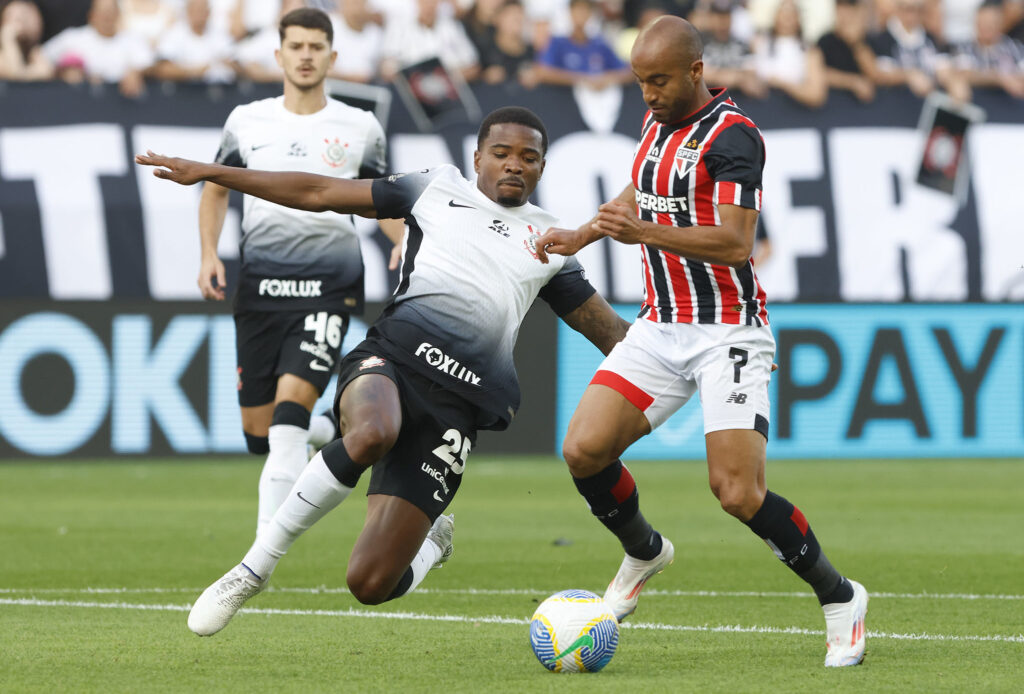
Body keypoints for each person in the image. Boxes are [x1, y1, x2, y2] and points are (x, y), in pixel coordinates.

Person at [136, 105, 631, 637]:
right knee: (374, 431)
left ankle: (431, 545)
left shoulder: (553, 245)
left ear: (541, 167)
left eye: (528, 158)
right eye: (502, 153)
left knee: (371, 584)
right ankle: (253, 569)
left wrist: (695, 358)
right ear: (477, 158)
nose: (514, 165)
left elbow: (612, 337)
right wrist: (214, 173)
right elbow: (318, 192)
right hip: (390, 362)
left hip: (456, 409)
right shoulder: (434, 189)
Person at [534, 15, 869, 668]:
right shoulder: (658, 120)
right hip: (660, 327)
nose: (647, 94)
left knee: (738, 494)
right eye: (639, 82)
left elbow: (736, 241)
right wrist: (585, 232)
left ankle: (839, 596)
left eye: (657, 81)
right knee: (583, 450)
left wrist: (645, 235)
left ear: (696, 71)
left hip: (728, 334)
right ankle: (645, 550)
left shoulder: (735, 136)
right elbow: (645, 189)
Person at [195, 7, 404, 542]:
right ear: (279, 54)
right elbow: (216, 189)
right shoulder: (247, 120)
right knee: (259, 434)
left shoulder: (360, 127)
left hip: (329, 287)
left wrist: (403, 244)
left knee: (285, 427)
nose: (306, 56)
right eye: (297, 46)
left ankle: (261, 553)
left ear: (332, 57)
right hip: (260, 287)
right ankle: (332, 425)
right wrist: (208, 255)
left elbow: (383, 200)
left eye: (316, 47)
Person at [816, 0, 878, 103]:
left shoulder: (867, 40)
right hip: (832, 106)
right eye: (841, 8)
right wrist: (852, 82)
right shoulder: (825, 41)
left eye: (849, 8)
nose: (844, 14)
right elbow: (818, 72)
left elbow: (875, 74)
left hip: (864, 110)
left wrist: (855, 43)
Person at [0, 0, 54, 80]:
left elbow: (45, 72)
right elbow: (13, 75)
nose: (21, 25)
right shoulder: (3, 58)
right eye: (16, 19)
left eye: (25, 18)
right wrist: (8, 39)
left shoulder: (36, 55)